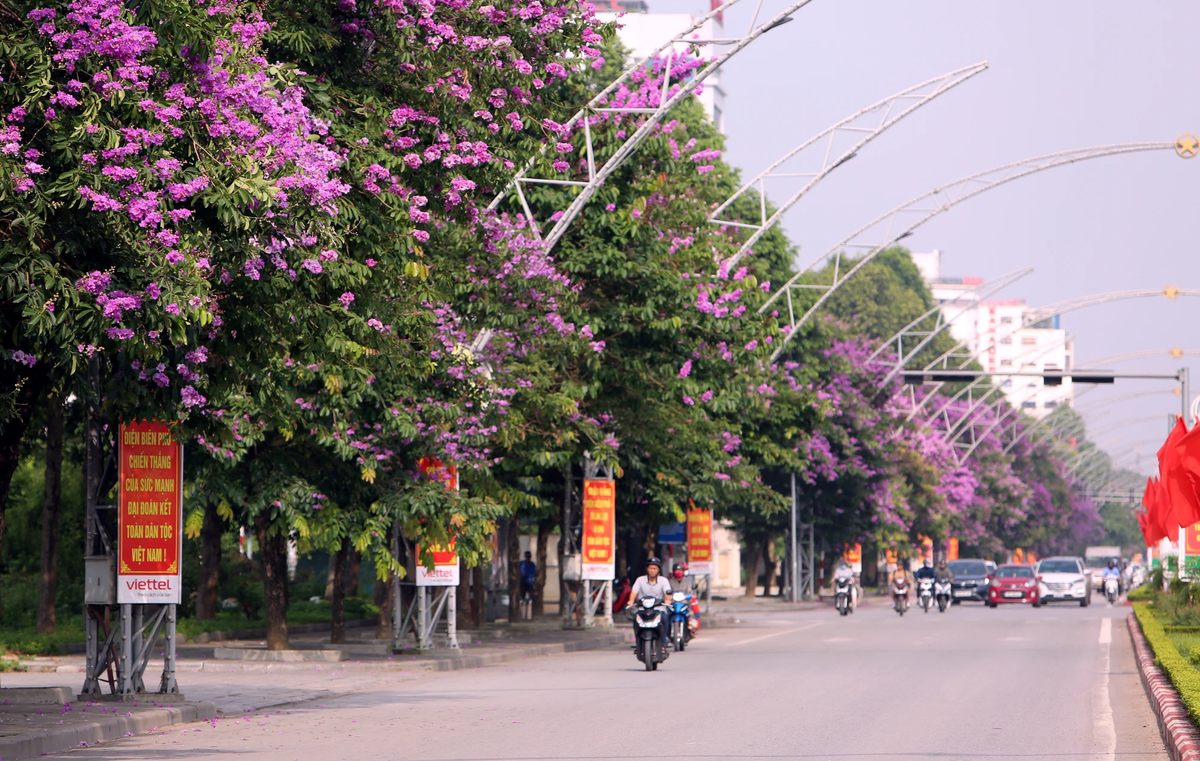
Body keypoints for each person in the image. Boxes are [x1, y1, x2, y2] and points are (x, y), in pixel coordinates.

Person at [627, 557, 672, 649]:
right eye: (650, 568)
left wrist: (667, 600)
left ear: (658, 570)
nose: (652, 570)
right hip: (642, 609)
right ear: (647, 569)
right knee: (636, 619)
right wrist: (631, 601)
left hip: (658, 609)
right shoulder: (640, 580)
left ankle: (663, 643)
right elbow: (634, 592)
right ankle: (638, 642)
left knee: (665, 619)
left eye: (655, 568)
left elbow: (667, 593)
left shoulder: (664, 580)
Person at [668, 561, 699, 633]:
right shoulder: (670, 581)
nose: (678, 572)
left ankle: (692, 628)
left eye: (680, 571)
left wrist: (691, 596)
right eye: (677, 571)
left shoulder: (688, 581)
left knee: (691, 612)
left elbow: (690, 591)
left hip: (685, 602)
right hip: (673, 602)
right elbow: (667, 591)